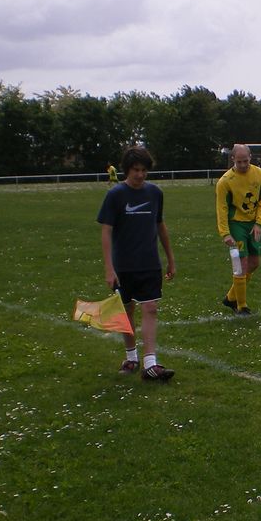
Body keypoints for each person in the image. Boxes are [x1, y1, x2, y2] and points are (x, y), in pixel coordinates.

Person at [97, 146, 176, 381]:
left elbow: (160, 225)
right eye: (136, 170)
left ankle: (150, 363)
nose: (140, 175)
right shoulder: (115, 195)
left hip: (150, 263)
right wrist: (109, 268)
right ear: (126, 170)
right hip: (123, 266)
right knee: (127, 311)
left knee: (150, 307)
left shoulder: (155, 193)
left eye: (144, 170)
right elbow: (106, 232)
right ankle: (131, 357)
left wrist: (170, 259)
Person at [217, 144, 261, 316]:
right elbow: (221, 208)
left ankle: (231, 297)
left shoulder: (260, 174)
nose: (243, 165)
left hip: (253, 223)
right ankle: (241, 306)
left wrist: (259, 223)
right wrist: (225, 233)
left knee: (255, 263)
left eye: (245, 161)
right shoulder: (225, 181)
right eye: (239, 162)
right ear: (233, 160)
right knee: (241, 264)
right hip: (235, 224)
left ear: (250, 157)